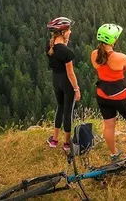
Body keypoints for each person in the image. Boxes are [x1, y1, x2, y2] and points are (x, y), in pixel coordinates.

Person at [90, 23, 126, 161]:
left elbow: (99, 67)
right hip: (121, 95)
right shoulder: (119, 57)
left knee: (109, 125)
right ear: (114, 40)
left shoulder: (94, 54)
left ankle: (113, 154)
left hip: (102, 94)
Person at [45, 17, 81, 151]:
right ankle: (66, 143)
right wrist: (76, 89)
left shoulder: (50, 46)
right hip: (67, 82)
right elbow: (71, 73)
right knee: (68, 111)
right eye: (69, 30)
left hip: (56, 80)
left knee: (59, 107)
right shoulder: (67, 52)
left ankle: (54, 140)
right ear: (62, 32)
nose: (70, 32)